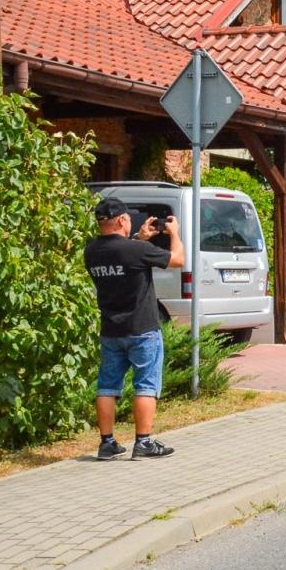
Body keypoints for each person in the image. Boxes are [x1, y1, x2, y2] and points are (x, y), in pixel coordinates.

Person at [84, 196, 186, 461]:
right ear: (121, 220)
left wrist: (141, 239)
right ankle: (143, 442)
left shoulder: (91, 251)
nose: (131, 222)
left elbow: (122, 258)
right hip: (142, 329)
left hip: (111, 330)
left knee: (107, 386)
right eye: (128, 218)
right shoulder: (135, 251)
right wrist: (174, 233)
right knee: (146, 386)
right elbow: (177, 260)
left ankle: (107, 444)